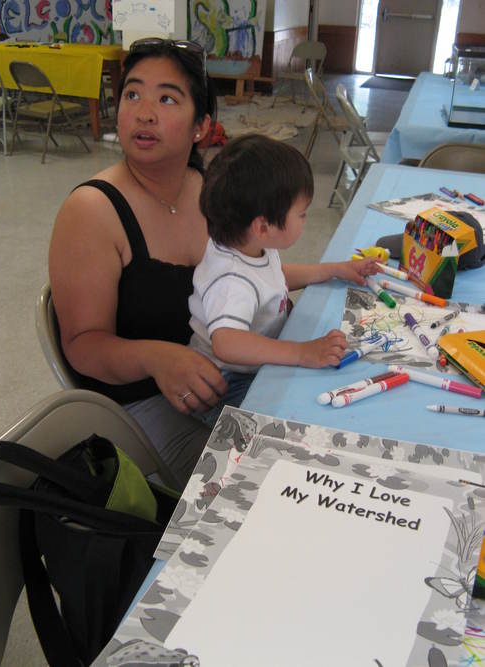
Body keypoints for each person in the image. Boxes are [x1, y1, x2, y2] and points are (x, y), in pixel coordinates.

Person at [49, 38, 228, 490]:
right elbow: (82, 345)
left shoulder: (204, 185)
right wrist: (156, 357)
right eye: (133, 94)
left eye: (166, 98)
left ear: (201, 126)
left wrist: (328, 273)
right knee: (244, 482)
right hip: (138, 403)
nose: (144, 113)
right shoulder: (93, 209)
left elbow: (244, 270)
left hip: (214, 373)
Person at [188, 134, 379, 426]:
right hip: (224, 384)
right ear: (263, 226)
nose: (305, 219)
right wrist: (301, 352)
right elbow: (226, 343)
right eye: (301, 214)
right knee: (301, 415)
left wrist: (334, 269)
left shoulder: (248, 245)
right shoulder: (231, 280)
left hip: (248, 364)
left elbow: (274, 279)